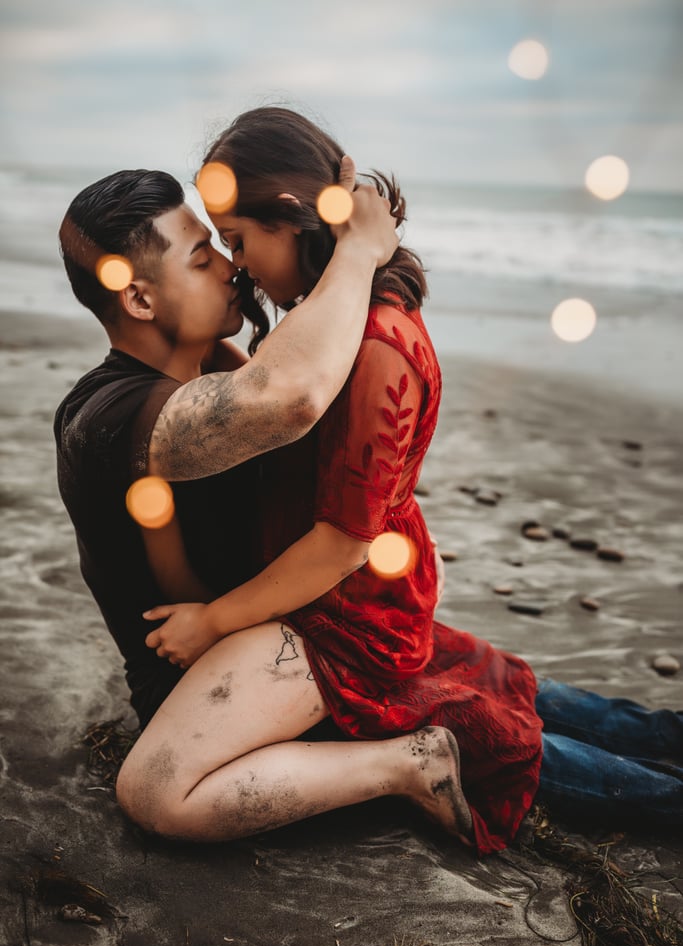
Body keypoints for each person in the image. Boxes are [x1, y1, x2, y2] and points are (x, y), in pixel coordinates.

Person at [135, 108, 683, 853]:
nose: (236, 264)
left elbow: (339, 545)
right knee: (474, 687)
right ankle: (663, 734)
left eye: (238, 240)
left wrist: (214, 621)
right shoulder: (340, 316)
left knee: (476, 730)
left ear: (292, 218)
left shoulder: (373, 346)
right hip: (356, 590)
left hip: (347, 607)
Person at [56, 160, 478, 851]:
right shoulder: (108, 418)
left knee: (500, 699)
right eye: (202, 259)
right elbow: (286, 397)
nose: (230, 268)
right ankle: (403, 766)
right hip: (218, 674)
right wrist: (358, 251)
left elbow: (294, 371)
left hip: (286, 640)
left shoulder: (202, 366)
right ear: (137, 300)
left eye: (227, 247)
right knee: (155, 795)